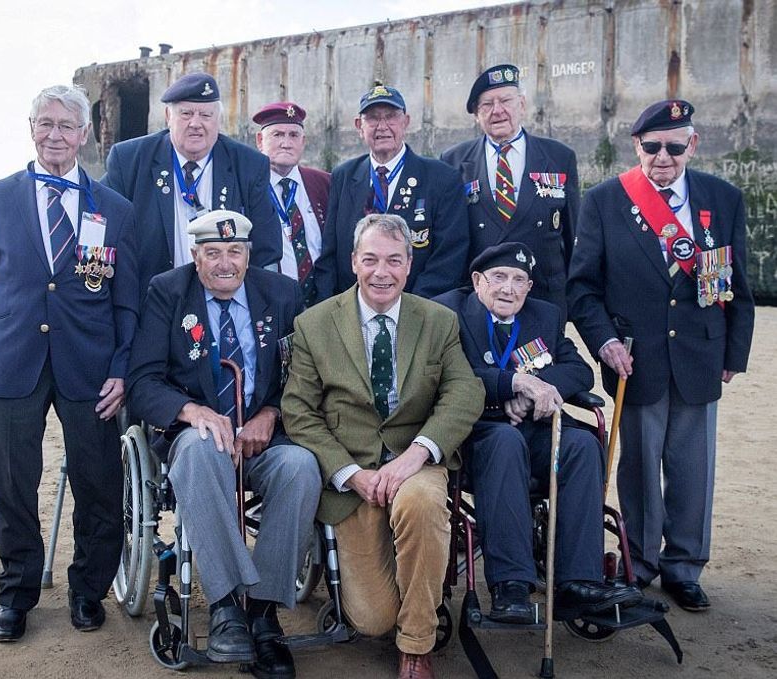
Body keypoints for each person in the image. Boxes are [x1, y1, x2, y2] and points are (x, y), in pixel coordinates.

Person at [0, 84, 139, 642]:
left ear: (85, 134)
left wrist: (123, 367)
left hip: (90, 367)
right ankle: (17, 591)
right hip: (11, 361)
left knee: (99, 482)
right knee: (10, 481)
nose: (54, 134)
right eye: (45, 123)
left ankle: (88, 589)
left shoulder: (117, 209)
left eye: (66, 125)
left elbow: (127, 300)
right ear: (30, 127)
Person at [568, 100, 754, 612]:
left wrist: (734, 352)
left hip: (699, 355)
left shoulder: (724, 198)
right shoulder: (606, 201)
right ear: (637, 147)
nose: (663, 157)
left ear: (693, 145)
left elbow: (736, 286)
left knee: (694, 469)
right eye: (652, 147)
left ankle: (685, 566)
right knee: (641, 467)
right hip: (636, 359)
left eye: (675, 146)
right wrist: (603, 342)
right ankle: (642, 561)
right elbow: (582, 287)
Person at [283, 213, 483, 679]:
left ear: (409, 265)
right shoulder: (314, 324)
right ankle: (408, 597)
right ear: (354, 261)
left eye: (394, 260)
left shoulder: (438, 320)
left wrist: (417, 454)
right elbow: (298, 411)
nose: (382, 272)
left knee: (420, 504)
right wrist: (350, 474)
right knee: (372, 620)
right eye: (370, 259)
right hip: (353, 475)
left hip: (414, 463)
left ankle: (417, 645)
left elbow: (465, 391)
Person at [127, 209, 320, 679]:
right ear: (195, 257)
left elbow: (304, 377)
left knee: (301, 466)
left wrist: (270, 414)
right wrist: (193, 413)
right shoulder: (167, 292)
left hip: (263, 439)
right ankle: (227, 607)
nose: (225, 263)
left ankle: (264, 612)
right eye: (212, 253)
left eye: (235, 252)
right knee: (197, 452)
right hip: (197, 437)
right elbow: (143, 380)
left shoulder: (281, 293)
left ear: (248, 255)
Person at [433, 243, 643, 624]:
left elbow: (579, 371)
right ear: (478, 281)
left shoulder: (544, 315)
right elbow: (446, 376)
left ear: (529, 287)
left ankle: (578, 581)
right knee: (504, 442)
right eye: (499, 277)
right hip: (475, 434)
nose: (508, 289)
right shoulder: (446, 311)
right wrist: (509, 384)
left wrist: (532, 390)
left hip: (537, 429)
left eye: (518, 281)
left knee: (581, 445)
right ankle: (510, 584)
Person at [102, 72, 281, 296]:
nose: (195, 124)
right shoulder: (129, 160)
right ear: (168, 116)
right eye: (186, 113)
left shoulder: (248, 165)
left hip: (224, 301)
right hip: (151, 299)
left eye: (206, 115)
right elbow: (105, 229)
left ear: (219, 120)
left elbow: (267, 247)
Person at [441, 65, 579, 320]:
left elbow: (573, 238)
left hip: (544, 299)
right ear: (476, 114)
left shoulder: (559, 157)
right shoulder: (453, 161)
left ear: (522, 105)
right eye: (487, 104)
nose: (498, 111)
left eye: (506, 100)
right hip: (478, 301)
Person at [312, 84, 470, 302]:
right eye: (373, 118)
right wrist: (329, 308)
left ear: (405, 122)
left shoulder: (441, 178)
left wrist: (410, 309)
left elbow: (450, 256)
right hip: (352, 311)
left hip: (419, 309)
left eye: (391, 117)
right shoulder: (344, 176)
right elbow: (330, 252)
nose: (382, 126)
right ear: (359, 126)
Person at [252, 101, 330, 307]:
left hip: (320, 302)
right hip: (268, 302)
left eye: (293, 135)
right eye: (277, 135)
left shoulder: (324, 183)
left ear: (303, 141)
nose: (286, 143)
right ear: (260, 140)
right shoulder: (249, 186)